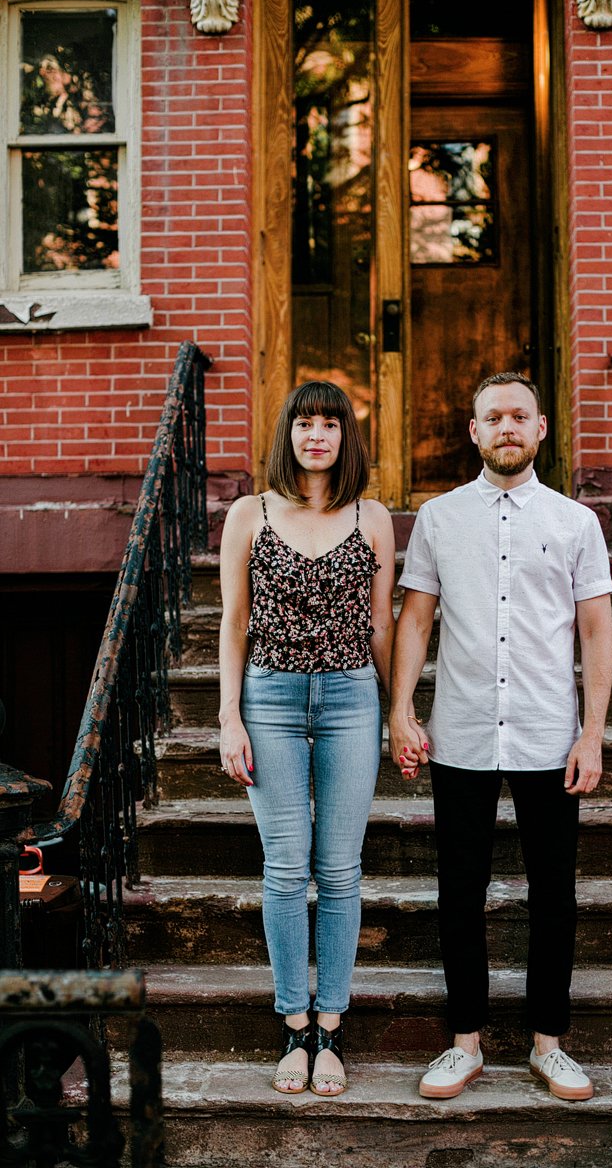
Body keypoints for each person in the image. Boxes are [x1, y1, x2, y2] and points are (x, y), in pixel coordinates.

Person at [389, 372, 612, 1103]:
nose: (508, 427)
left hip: (551, 733)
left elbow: (595, 631)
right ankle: (465, 1045)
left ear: (541, 428)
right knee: (461, 891)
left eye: (520, 415)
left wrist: (593, 734)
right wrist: (401, 709)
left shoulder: (577, 522)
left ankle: (551, 1045)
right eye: (494, 417)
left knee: (555, 893)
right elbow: (416, 620)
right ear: (475, 432)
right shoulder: (439, 517)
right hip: (459, 731)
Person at [218, 380, 395, 1097]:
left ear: (344, 436)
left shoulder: (374, 518)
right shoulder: (249, 514)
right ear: (287, 434)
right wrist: (229, 717)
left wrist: (403, 710)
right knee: (287, 868)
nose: (316, 434)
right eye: (303, 422)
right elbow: (233, 623)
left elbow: (382, 625)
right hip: (271, 697)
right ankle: (295, 1027)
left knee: (342, 868)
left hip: (353, 696)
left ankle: (332, 1027)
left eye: (329, 423)